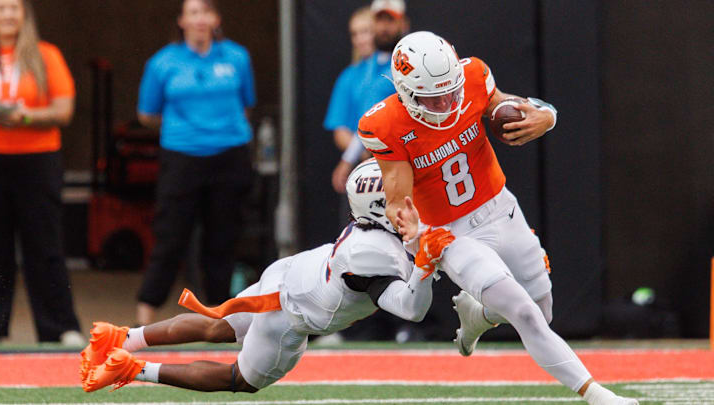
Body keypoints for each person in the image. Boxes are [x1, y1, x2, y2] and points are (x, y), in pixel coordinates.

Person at [357, 31, 639, 405]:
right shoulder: (386, 124)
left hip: (500, 208)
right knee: (524, 313)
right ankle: (597, 394)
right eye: (432, 97)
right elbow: (398, 197)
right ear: (406, 92)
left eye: (450, 90)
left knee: (543, 309)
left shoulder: (473, 77)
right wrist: (409, 227)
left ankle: (480, 316)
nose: (445, 102)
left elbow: (517, 106)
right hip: (451, 233)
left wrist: (547, 117)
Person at [79, 159, 455, 394]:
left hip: (290, 273)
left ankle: (123, 337)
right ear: (380, 208)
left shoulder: (373, 233)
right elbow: (412, 309)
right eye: (397, 197)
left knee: (217, 327)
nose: (408, 201)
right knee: (239, 380)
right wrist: (423, 267)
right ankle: (133, 368)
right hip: (289, 315)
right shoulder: (376, 255)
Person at [135, 0, 256, 326]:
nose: (200, 19)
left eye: (206, 12)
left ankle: (220, 318)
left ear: (216, 18)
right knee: (170, 237)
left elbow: (246, 104)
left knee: (223, 239)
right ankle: (145, 314)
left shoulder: (237, 57)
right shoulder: (162, 62)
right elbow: (147, 114)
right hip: (181, 158)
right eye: (193, 12)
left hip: (230, 156)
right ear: (182, 21)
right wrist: (187, 130)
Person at [0, 0, 84, 345]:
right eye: (0, 8)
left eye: (13, 8)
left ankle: (59, 327)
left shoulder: (47, 55)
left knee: (44, 247)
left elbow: (64, 110)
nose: (7, 15)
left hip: (37, 161)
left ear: (24, 15)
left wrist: (26, 118)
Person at [324, 0, 409, 194]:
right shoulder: (368, 72)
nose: (384, 28)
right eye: (379, 22)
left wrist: (347, 160)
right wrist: (355, 155)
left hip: (407, 163)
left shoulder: (405, 64)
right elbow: (367, 125)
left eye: (365, 31)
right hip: (374, 169)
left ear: (402, 23)